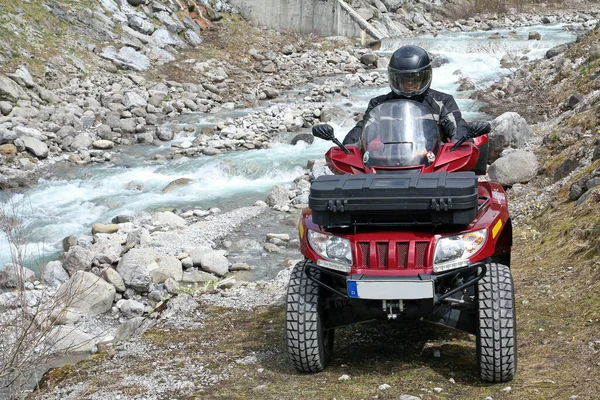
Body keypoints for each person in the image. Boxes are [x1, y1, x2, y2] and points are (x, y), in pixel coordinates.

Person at [343, 45, 469, 146]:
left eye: (415, 78)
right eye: (403, 79)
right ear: (394, 78)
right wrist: (348, 146)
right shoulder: (378, 104)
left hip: (433, 163)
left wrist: (459, 142)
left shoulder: (443, 101)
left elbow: (457, 125)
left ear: (425, 77)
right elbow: (363, 129)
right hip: (386, 164)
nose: (409, 83)